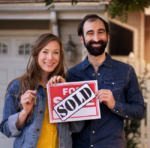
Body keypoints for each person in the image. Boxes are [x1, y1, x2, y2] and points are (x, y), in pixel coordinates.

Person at [66, 14, 146, 148]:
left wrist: (115, 104)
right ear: (82, 38)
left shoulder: (126, 71)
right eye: (90, 33)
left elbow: (139, 111)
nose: (96, 38)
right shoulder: (72, 74)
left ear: (107, 36)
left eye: (100, 32)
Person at [0, 33, 83, 148]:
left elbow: (77, 128)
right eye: (45, 51)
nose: (50, 57)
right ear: (36, 53)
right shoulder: (18, 86)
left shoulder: (66, 86)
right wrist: (24, 112)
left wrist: (67, 94)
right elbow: (6, 130)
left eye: (56, 52)